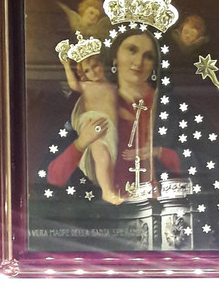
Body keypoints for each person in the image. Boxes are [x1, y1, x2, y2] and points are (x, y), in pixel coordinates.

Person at [47, 29, 181, 201]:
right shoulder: (87, 100)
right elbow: (54, 178)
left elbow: (201, 163)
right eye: (131, 50)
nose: (138, 62)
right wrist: (82, 142)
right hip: (102, 211)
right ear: (115, 57)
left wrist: (158, 152)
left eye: (148, 56)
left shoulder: (169, 107)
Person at [56, 39, 122, 204]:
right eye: (87, 70)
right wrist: (66, 65)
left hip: (111, 129)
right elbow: (73, 84)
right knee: (101, 155)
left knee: (111, 159)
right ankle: (107, 191)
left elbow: (118, 108)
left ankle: (111, 187)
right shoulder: (87, 86)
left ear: (102, 64)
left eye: (95, 66)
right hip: (94, 127)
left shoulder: (113, 88)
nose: (92, 72)